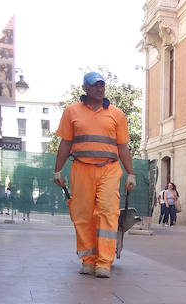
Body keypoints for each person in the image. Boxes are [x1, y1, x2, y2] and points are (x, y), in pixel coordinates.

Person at [53, 71, 135, 279]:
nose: (100, 89)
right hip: (81, 168)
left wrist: (131, 173)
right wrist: (58, 170)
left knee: (108, 212)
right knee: (83, 215)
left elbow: (123, 146)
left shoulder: (116, 114)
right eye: (95, 85)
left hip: (109, 168)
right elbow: (65, 143)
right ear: (85, 89)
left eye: (102, 85)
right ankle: (88, 260)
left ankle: (104, 262)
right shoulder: (72, 112)